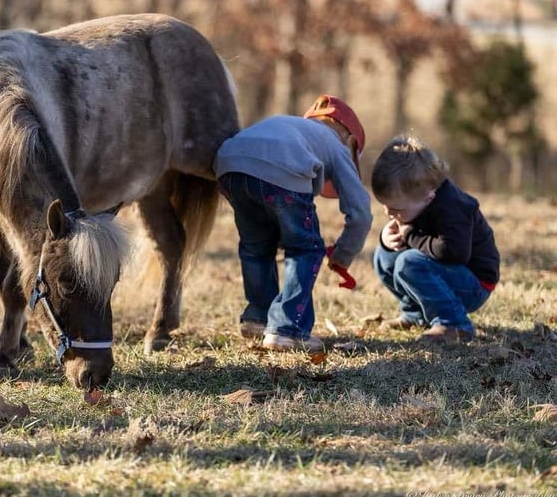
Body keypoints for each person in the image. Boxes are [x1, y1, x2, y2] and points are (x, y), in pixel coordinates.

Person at [213, 95, 373, 352]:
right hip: (283, 169)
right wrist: (343, 255)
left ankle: (259, 316)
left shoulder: (291, 126)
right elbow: (361, 213)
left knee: (256, 246)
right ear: (351, 141)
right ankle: (288, 329)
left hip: (229, 165)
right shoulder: (338, 145)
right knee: (305, 249)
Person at [371, 135, 500, 343]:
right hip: (446, 272)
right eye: (385, 206)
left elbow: (453, 252)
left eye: (396, 209)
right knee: (382, 256)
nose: (388, 213)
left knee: (409, 262)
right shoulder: (418, 199)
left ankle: (454, 324)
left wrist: (410, 235)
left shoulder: (454, 208)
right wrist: (388, 240)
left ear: (428, 198)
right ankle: (416, 315)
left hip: (475, 283)